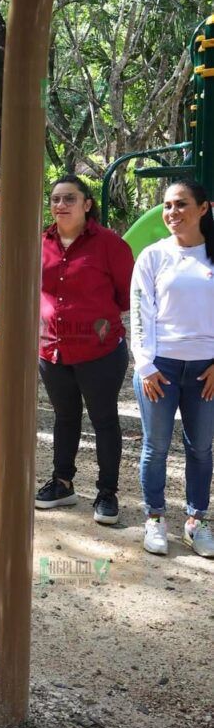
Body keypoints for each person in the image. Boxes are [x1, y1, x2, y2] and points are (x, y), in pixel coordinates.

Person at [37, 174, 134, 525]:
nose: (60, 205)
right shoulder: (41, 242)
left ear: (87, 204)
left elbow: (125, 296)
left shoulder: (110, 244)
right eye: (55, 199)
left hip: (100, 351)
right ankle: (62, 483)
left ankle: (107, 493)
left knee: (104, 419)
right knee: (64, 417)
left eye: (69, 199)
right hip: (52, 350)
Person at [131, 179, 214, 558]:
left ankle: (196, 522)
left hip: (205, 372)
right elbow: (139, 313)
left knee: (201, 449)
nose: (172, 213)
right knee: (156, 446)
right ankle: (156, 518)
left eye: (181, 204)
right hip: (159, 369)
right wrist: (145, 365)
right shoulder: (152, 256)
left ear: (203, 208)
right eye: (167, 205)